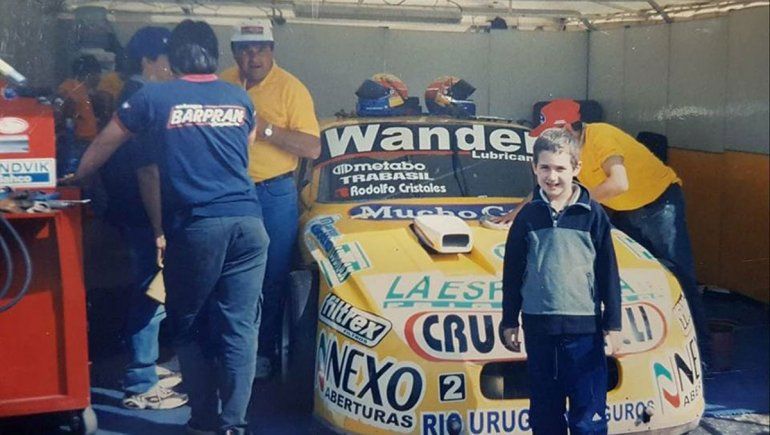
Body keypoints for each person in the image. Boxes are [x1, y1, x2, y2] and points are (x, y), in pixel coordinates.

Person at [70, 20, 269, 435]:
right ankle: (235, 425)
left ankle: (202, 422)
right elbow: (242, 152)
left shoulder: (152, 97)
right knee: (240, 329)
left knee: (190, 325)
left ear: (176, 55)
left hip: (198, 227)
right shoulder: (239, 97)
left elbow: (106, 144)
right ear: (214, 54)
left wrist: (73, 178)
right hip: (249, 224)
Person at [496, 99, 710, 363]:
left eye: (551, 133)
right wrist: (515, 213)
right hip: (628, 209)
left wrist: (572, 203)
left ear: (566, 127)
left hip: (660, 203)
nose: (549, 141)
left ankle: (703, 356)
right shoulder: (569, 152)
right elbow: (549, 187)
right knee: (631, 275)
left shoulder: (601, 136)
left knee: (679, 277)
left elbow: (619, 182)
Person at [499, 128, 622, 435]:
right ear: (534, 168)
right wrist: (508, 320)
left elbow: (608, 270)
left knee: (587, 418)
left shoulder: (593, 215)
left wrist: (614, 323)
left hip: (586, 333)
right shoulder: (526, 217)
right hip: (540, 331)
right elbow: (512, 274)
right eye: (545, 168)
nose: (552, 177)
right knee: (545, 415)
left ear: (576, 169)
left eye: (560, 168)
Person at [221, 18, 321, 379]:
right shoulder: (221, 83)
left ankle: (262, 354)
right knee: (224, 274)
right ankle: (227, 352)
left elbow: (312, 145)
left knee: (271, 276)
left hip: (274, 193)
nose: (254, 56)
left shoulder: (291, 88)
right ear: (234, 53)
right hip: (227, 193)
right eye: (246, 49)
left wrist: (264, 128)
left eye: (261, 48)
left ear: (272, 51)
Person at [98, 26, 187, 410]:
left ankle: (144, 369)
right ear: (148, 60)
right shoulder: (143, 98)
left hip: (131, 210)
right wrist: (158, 227)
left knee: (151, 291)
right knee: (152, 294)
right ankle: (141, 382)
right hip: (142, 213)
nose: (173, 69)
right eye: (168, 60)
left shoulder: (132, 95)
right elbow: (148, 169)